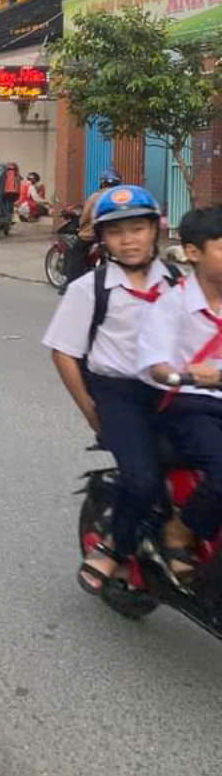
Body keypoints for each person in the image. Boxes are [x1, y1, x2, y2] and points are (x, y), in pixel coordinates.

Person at [42, 185, 181, 594]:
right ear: (103, 239)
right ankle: (115, 547)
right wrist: (90, 408)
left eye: (137, 229)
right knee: (142, 479)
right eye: (117, 232)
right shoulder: (90, 289)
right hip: (118, 393)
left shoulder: (175, 280)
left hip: (172, 388)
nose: (129, 240)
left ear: (155, 231)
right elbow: (63, 354)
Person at [138, 204, 222, 581]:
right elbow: (156, 363)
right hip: (190, 404)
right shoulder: (172, 304)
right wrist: (185, 373)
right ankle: (181, 529)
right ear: (193, 253)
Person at [63, 168, 123, 286]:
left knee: (76, 252)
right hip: (115, 234)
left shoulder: (95, 197)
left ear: (103, 182)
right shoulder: (121, 197)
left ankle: (70, 284)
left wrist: (81, 227)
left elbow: (85, 217)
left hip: (93, 235)